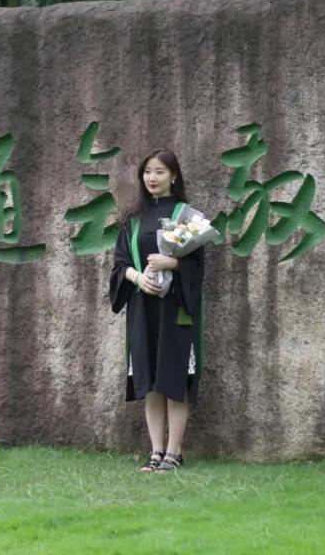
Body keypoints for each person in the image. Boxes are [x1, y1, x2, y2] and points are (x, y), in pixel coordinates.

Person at [109, 149, 205, 473]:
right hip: (142, 307)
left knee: (174, 377)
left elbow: (197, 266)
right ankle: (156, 451)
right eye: (148, 171)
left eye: (160, 171)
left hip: (176, 308)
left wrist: (172, 263)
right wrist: (136, 277)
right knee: (149, 379)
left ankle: (175, 452)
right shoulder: (133, 220)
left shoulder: (187, 217)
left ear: (173, 176)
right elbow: (119, 264)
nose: (152, 177)